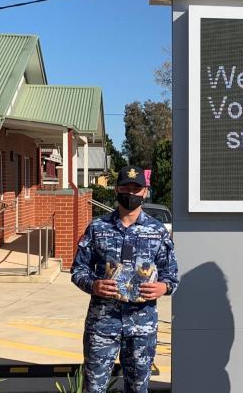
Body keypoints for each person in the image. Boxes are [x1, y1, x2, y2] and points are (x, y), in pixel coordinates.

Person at [71, 165, 179, 393]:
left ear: (145, 191)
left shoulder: (157, 231)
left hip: (141, 325)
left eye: (136, 188)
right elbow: (78, 269)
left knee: (138, 388)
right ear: (116, 189)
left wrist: (163, 287)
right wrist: (93, 285)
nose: (131, 193)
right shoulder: (98, 228)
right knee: (94, 388)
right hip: (102, 323)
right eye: (125, 187)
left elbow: (171, 275)